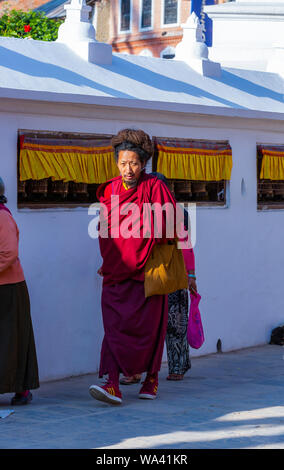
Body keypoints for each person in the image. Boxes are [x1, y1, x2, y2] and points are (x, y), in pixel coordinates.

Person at [89, 129, 183, 405]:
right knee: (114, 328)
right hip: (117, 272)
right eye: (122, 163)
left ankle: (151, 379)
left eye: (133, 163)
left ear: (143, 164)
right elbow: (106, 231)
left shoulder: (155, 187)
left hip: (148, 271)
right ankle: (113, 384)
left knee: (150, 328)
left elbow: (171, 225)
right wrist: (109, 260)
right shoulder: (109, 190)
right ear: (116, 162)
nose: (127, 169)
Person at [120, 172, 197, 385]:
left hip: (172, 273)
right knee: (143, 324)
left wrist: (190, 275)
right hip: (146, 275)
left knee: (175, 322)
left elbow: (185, 245)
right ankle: (135, 370)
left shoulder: (177, 213)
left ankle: (177, 366)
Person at [0, 178, 39, 405]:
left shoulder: (2, 217)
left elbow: (8, 253)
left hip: (9, 288)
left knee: (12, 340)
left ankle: (21, 390)